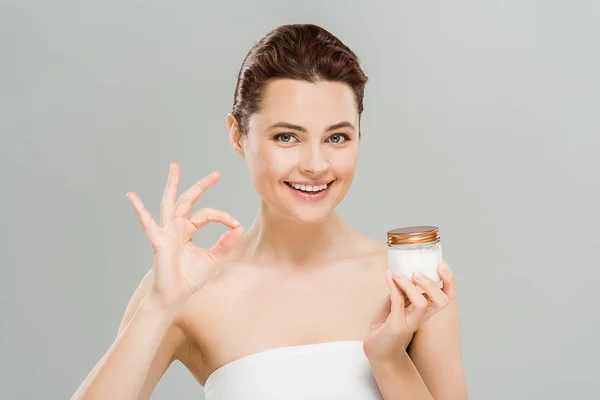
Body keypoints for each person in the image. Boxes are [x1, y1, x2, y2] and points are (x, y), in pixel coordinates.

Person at [72, 23, 467, 400]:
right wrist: (158, 306)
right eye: (286, 137)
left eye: (337, 137)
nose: (316, 164)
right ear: (237, 135)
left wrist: (390, 360)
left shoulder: (411, 284)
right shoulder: (188, 287)